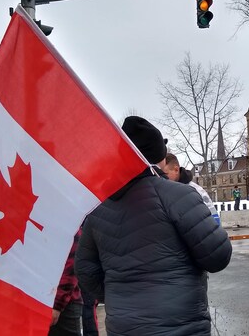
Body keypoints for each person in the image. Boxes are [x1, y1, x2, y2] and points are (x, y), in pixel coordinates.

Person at [75, 116, 232, 335]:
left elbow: (84, 268)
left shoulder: (99, 208)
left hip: (123, 326)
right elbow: (218, 256)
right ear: (159, 157)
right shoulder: (180, 195)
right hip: (181, 325)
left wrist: (117, 295)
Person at [163, 152, 220, 225]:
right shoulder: (167, 190)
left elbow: (214, 220)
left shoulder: (195, 191)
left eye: (165, 174)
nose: (162, 178)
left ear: (176, 170)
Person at [49, 229, 83, 336]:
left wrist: (57, 304)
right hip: (33, 300)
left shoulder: (68, 223)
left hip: (63, 305)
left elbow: (71, 267)